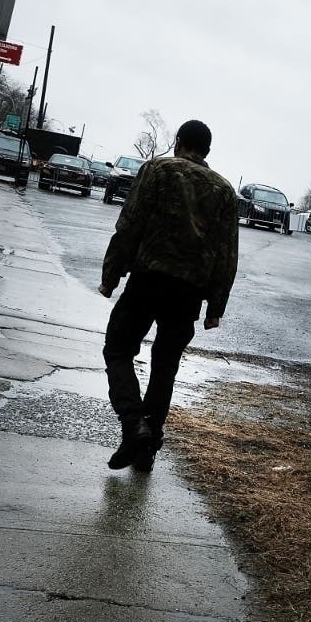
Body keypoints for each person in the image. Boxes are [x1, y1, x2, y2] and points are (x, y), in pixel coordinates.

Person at [98, 120, 239, 472]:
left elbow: (130, 223)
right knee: (165, 366)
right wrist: (215, 306)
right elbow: (227, 251)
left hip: (148, 279)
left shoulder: (157, 170)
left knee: (118, 349)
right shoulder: (223, 190)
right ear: (206, 149)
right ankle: (146, 450)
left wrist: (111, 275)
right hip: (188, 291)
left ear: (179, 143)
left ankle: (133, 424)